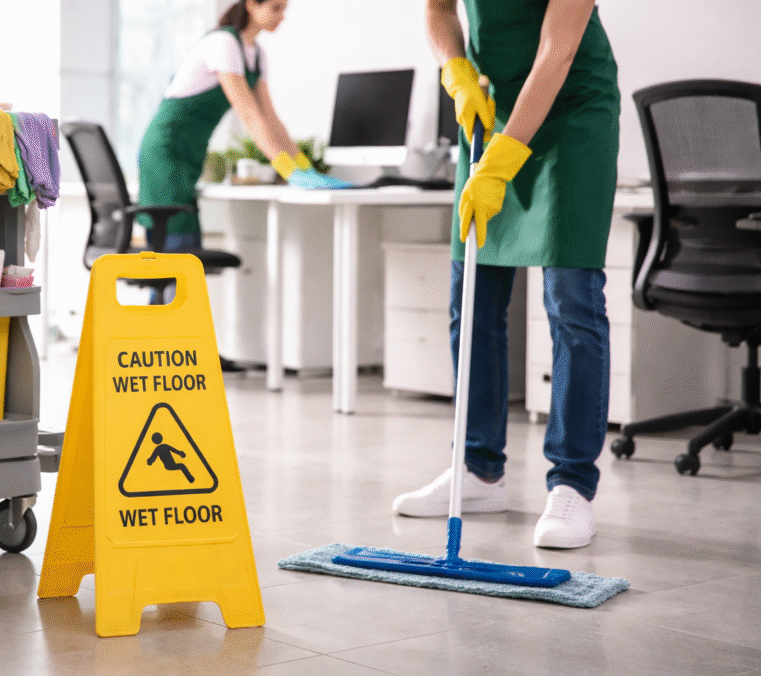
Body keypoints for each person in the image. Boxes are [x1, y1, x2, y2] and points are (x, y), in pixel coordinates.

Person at [392, 0, 620, 550]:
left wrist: (504, 157)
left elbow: (558, 48)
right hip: (492, 107)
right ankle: (476, 469)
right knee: (471, 293)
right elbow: (439, 11)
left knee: (572, 299)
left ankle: (572, 485)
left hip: (571, 106)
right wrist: (456, 66)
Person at [137, 0, 349, 266]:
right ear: (251, 5)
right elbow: (249, 115)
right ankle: (163, 307)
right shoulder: (223, 44)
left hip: (190, 153)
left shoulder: (257, 55)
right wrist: (287, 169)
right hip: (166, 151)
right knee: (175, 253)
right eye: (275, 8)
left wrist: (305, 168)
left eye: (284, 9)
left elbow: (271, 119)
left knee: (181, 255)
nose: (281, 17)